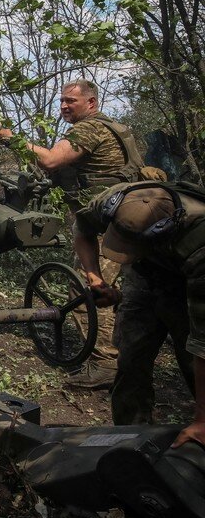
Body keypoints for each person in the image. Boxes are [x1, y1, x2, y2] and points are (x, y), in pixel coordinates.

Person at [0, 80, 150, 388]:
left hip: (112, 228)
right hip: (124, 221)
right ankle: (130, 360)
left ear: (91, 103)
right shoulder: (114, 128)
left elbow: (51, 159)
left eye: (71, 101)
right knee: (130, 294)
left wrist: (12, 140)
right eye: (62, 101)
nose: (64, 106)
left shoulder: (89, 130)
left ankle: (105, 366)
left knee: (87, 292)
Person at [73, 180, 205, 447]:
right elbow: (82, 229)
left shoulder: (200, 244)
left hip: (187, 283)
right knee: (130, 360)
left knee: (192, 361)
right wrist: (96, 278)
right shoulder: (113, 201)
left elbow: (204, 344)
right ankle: (130, 442)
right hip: (144, 275)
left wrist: (203, 420)